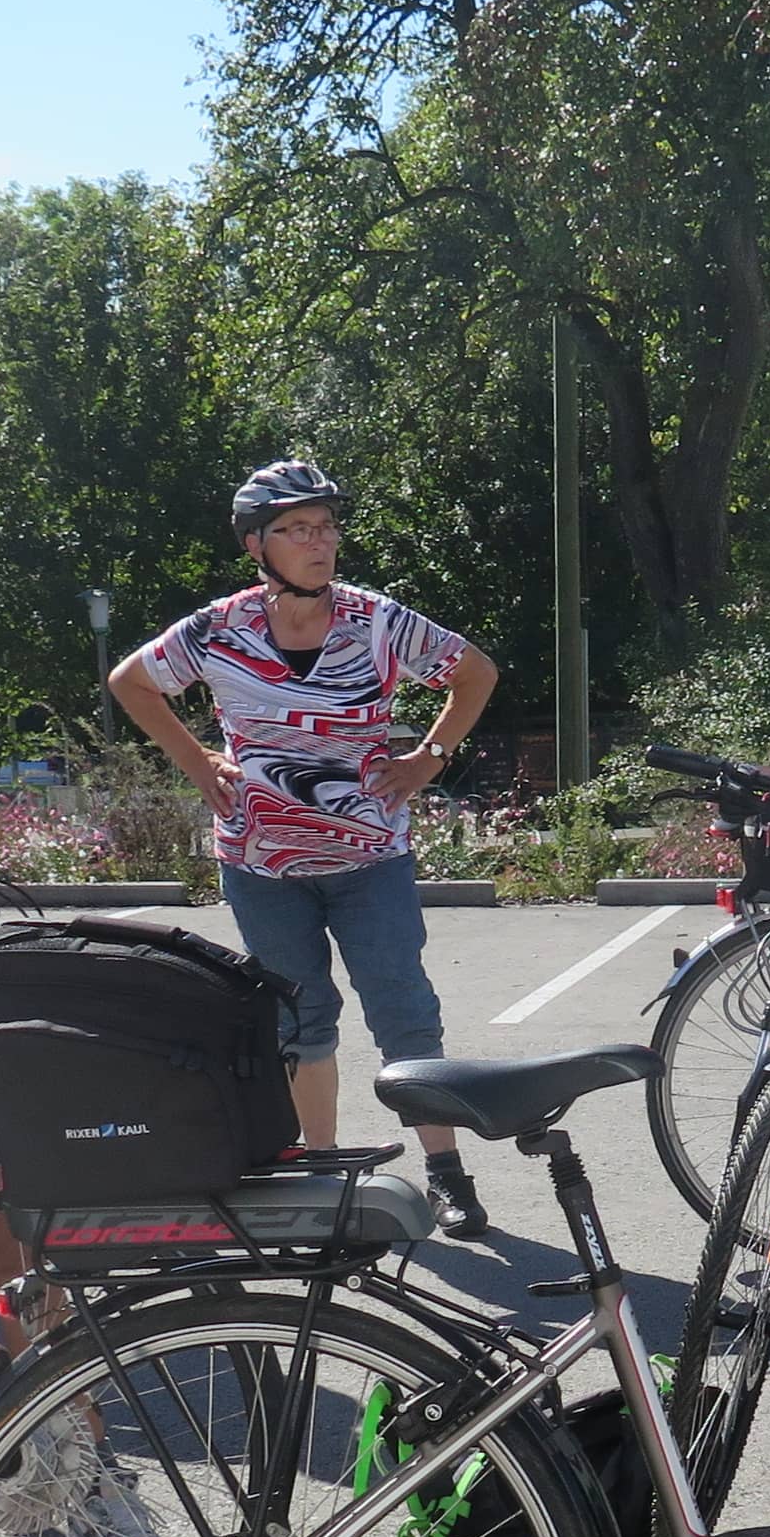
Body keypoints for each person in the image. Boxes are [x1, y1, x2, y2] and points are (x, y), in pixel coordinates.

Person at [109, 460, 503, 1237]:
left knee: (404, 1014)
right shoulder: (221, 629)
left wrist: (428, 759)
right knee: (301, 1021)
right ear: (258, 544)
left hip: (370, 860)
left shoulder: (377, 621)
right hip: (262, 864)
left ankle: (445, 1172)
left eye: (327, 527)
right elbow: (131, 681)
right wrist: (195, 761)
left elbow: (476, 675)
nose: (320, 542)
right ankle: (320, 1175)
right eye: (298, 529)